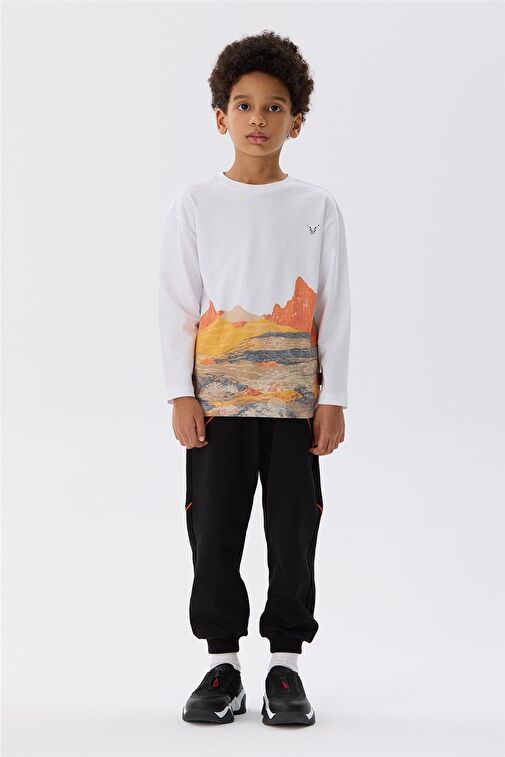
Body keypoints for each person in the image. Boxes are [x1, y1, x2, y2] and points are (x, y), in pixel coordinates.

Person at [158, 30, 351, 727]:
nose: (258, 119)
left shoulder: (316, 207)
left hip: (296, 407)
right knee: (213, 531)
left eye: (274, 107)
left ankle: (285, 664)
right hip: (217, 405)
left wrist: (333, 398)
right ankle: (222, 664)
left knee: (292, 533)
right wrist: (180, 392)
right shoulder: (196, 205)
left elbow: (334, 308)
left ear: (296, 122)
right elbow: (177, 304)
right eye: (243, 105)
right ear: (221, 118)